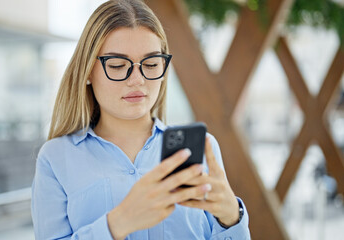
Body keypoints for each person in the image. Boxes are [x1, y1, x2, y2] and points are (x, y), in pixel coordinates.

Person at [31, 0, 250, 239]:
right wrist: (119, 222)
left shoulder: (202, 150)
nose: (137, 80)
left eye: (151, 64)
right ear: (87, 72)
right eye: (117, 65)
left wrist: (231, 217)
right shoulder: (55, 159)